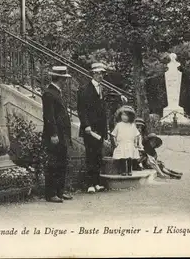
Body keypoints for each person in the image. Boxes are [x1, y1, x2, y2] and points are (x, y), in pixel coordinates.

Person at [77, 62, 127, 193]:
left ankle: (97, 182)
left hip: (100, 128)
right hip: (90, 129)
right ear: (92, 74)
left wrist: (120, 96)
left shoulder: (102, 88)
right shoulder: (84, 89)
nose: (101, 76)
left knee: (98, 155)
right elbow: (81, 110)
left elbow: (111, 96)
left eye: (102, 73)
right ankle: (90, 184)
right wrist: (86, 125)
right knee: (90, 155)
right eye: (98, 73)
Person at [41, 66, 73, 203]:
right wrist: (53, 134)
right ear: (59, 78)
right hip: (54, 135)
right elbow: (49, 116)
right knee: (53, 163)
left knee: (62, 162)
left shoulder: (57, 92)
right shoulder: (49, 93)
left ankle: (60, 191)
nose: (66, 81)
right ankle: (51, 193)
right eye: (64, 79)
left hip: (62, 134)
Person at [110, 105, 142, 176]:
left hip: (130, 144)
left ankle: (129, 170)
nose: (124, 117)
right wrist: (115, 143)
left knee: (129, 158)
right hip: (121, 144)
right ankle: (123, 171)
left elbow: (137, 135)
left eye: (126, 115)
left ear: (130, 116)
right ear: (120, 116)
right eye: (123, 115)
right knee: (122, 158)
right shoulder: (119, 125)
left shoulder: (132, 125)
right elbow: (113, 135)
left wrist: (136, 143)